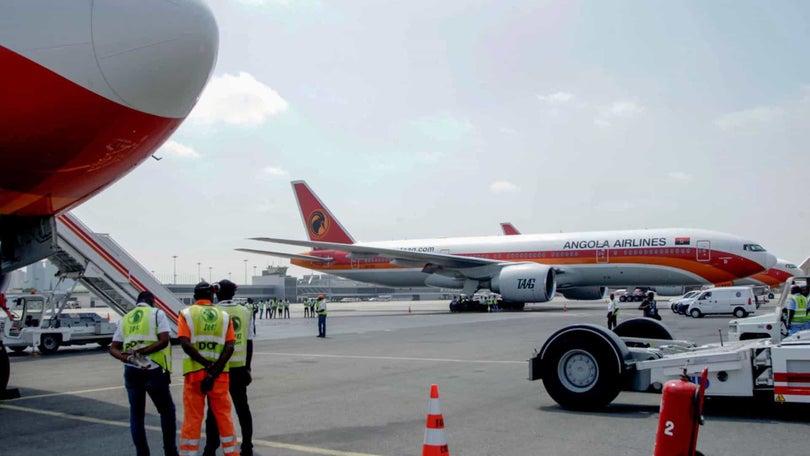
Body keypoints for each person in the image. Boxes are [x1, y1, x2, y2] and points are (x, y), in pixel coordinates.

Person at [110, 291, 178, 456]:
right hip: (152, 370)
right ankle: (170, 451)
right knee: (167, 412)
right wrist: (143, 352)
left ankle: (142, 453)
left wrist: (129, 359)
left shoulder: (126, 318)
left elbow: (113, 348)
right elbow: (164, 341)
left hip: (132, 371)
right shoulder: (156, 314)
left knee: (136, 415)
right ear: (151, 301)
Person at [177, 281, 239, 456]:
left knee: (193, 418)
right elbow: (230, 347)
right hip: (220, 375)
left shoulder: (186, 314)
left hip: (194, 374)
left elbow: (185, 344)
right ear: (212, 296)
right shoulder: (224, 316)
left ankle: (189, 454)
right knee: (224, 417)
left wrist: (205, 365)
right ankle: (232, 453)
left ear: (195, 297)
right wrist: (214, 371)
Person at [204, 280, 255, 456]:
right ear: (233, 293)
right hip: (239, 368)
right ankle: (247, 446)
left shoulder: (215, 312)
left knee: (213, 411)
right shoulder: (245, 311)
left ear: (218, 293)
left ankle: (211, 447)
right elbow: (249, 341)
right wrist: (248, 367)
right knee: (243, 409)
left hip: (220, 369)